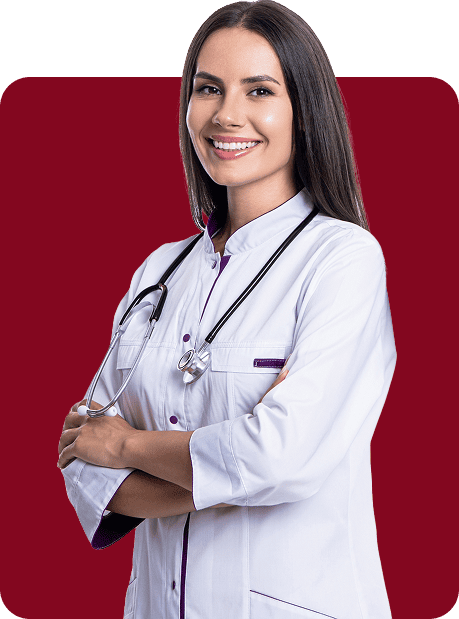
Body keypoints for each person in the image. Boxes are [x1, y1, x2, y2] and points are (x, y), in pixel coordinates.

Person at [57, 1, 396, 618]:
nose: (226, 114)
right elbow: (85, 463)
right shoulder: (158, 272)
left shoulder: (343, 260)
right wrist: (234, 470)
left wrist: (130, 447)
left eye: (259, 90)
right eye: (208, 88)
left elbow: (281, 458)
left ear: (304, 110)